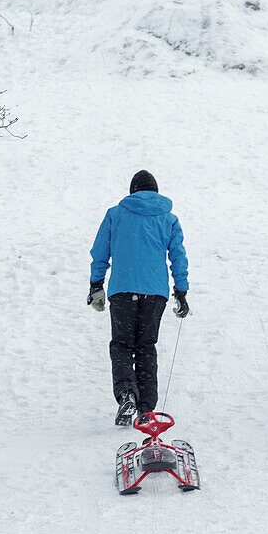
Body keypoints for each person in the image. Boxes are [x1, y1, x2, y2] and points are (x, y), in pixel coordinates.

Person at [89, 170, 189, 426]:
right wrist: (181, 290)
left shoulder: (116, 214)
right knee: (146, 346)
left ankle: (126, 393)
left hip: (122, 291)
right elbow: (177, 256)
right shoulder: (169, 219)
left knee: (122, 344)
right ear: (155, 191)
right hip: (155, 293)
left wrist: (96, 284)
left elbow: (100, 250)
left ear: (133, 190)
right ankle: (146, 408)